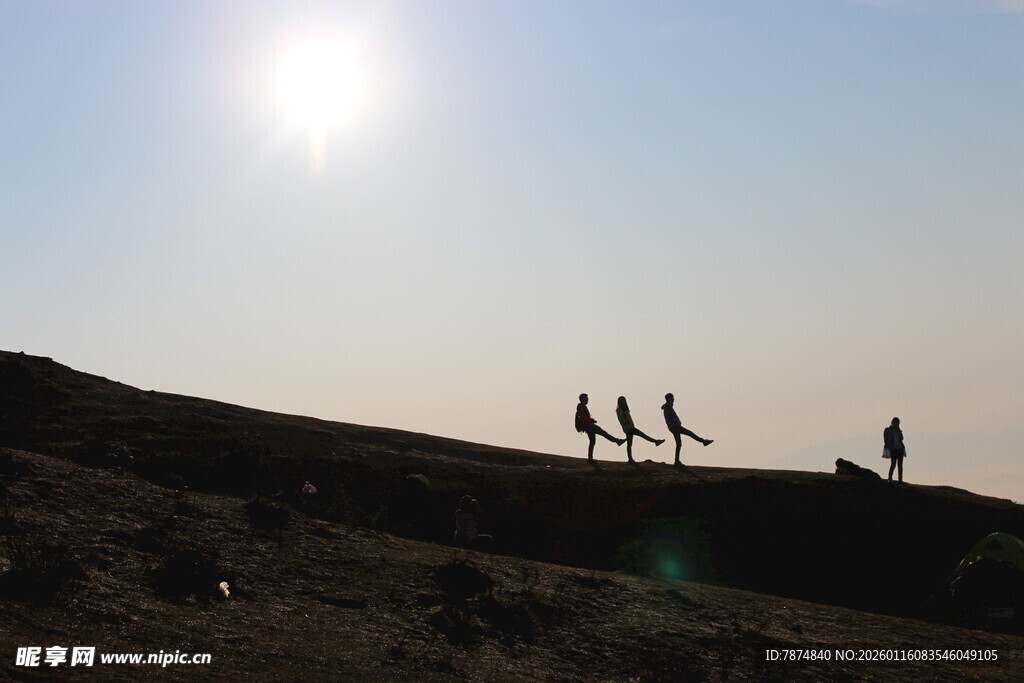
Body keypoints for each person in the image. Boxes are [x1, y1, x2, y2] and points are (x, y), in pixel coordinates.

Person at [661, 393, 713, 467]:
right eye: (672, 398)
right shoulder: (668, 407)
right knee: (689, 433)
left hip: (673, 427)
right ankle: (703, 441)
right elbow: (670, 418)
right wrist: (676, 423)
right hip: (675, 426)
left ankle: (676, 461)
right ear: (670, 399)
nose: (674, 400)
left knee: (679, 443)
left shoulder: (667, 407)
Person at [575, 393, 625, 461]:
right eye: (586, 398)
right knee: (603, 433)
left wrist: (591, 421)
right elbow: (583, 418)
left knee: (592, 442)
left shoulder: (582, 407)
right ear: (582, 399)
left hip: (588, 427)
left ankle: (590, 458)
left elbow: (584, 417)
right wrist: (589, 422)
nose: (587, 400)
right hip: (590, 426)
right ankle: (617, 441)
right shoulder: (581, 407)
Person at [615, 396, 664, 463]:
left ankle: (630, 459)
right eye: (622, 401)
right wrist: (626, 421)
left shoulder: (625, 409)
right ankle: (655, 441)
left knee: (631, 443)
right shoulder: (619, 410)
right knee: (640, 436)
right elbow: (621, 419)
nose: (623, 402)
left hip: (631, 427)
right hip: (628, 428)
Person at [884, 417, 907, 483]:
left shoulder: (898, 430)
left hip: (900, 448)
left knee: (900, 465)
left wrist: (899, 431)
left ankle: (900, 479)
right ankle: (890, 478)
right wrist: (890, 447)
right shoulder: (888, 430)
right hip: (893, 449)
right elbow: (886, 440)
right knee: (893, 464)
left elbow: (902, 438)